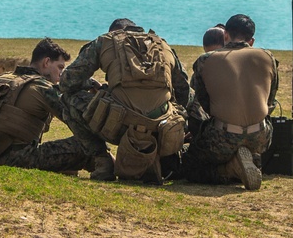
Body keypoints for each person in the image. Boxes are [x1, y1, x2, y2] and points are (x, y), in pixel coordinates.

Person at [59, 18, 193, 183]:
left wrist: (95, 87)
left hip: (120, 126)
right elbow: (184, 92)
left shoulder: (105, 41)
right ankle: (163, 158)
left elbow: (67, 81)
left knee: (67, 99)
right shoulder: (163, 45)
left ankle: (103, 162)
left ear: (113, 32)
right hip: (163, 129)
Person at [182, 13, 279, 190]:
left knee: (189, 165)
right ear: (252, 41)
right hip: (261, 136)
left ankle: (231, 169)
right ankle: (250, 158)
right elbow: (271, 100)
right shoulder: (269, 58)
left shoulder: (205, 60)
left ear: (225, 35)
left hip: (223, 134)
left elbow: (204, 102)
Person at [0, 37, 92, 173]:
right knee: (85, 145)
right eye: (60, 67)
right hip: (14, 158)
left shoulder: (3, 78)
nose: (61, 74)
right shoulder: (42, 87)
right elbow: (77, 118)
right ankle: (112, 171)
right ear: (47, 62)